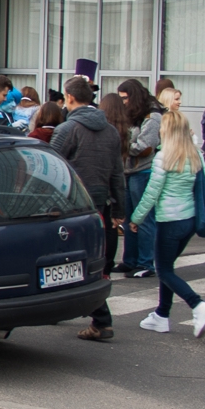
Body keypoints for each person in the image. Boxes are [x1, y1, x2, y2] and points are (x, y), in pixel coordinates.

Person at [128, 108, 205, 338]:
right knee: (168, 267)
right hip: (189, 220)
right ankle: (161, 315)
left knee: (164, 270)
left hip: (169, 221)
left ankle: (197, 305)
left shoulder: (163, 157)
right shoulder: (194, 155)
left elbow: (151, 193)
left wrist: (136, 218)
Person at [53, 77, 126, 342]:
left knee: (72, 262)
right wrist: (120, 208)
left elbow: (50, 168)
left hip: (72, 206)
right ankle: (72, 311)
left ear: (69, 97)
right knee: (90, 261)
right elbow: (118, 173)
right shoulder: (110, 131)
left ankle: (101, 320)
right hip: (101, 205)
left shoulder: (68, 129)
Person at [116, 79, 162, 280]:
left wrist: (125, 146)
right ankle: (130, 260)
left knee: (143, 218)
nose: (123, 103)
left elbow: (146, 146)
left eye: (125, 98)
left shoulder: (152, 115)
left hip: (142, 172)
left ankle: (145, 262)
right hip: (128, 171)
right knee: (127, 219)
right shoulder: (132, 114)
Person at [97, 92, 132, 276]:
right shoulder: (125, 129)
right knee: (112, 226)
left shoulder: (104, 130)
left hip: (104, 179)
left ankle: (100, 264)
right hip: (120, 176)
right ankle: (108, 266)